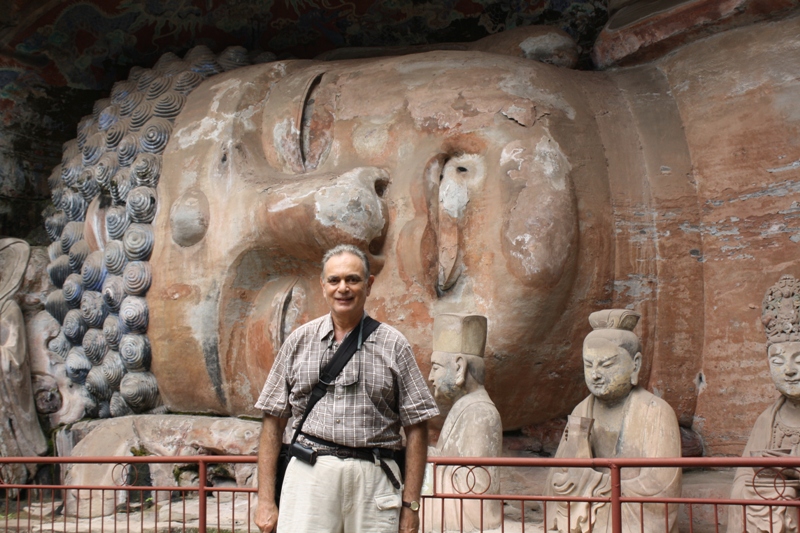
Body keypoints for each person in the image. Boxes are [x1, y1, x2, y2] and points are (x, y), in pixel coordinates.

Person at [254, 244, 439, 533]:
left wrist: (410, 505)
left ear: (369, 284)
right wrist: (265, 500)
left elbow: (417, 427)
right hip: (309, 474)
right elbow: (272, 422)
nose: (343, 288)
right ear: (323, 285)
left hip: (374, 478)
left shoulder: (394, 345)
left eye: (352, 279)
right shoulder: (299, 342)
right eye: (334, 280)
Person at [545, 309, 682, 533]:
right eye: (589, 365)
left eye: (606, 365)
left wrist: (592, 484)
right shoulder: (581, 409)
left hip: (629, 519)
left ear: (635, 365)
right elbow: (559, 474)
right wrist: (564, 482)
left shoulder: (656, 412)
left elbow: (661, 488)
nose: (595, 374)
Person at [728, 274, 800, 533]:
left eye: (799, 360)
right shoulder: (767, 420)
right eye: (778, 362)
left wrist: (793, 473)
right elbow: (743, 479)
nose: (789, 371)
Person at [426, 313, 502, 532]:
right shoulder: (465, 406)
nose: (431, 377)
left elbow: (476, 490)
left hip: (469, 519)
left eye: (436, 367)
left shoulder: (480, 412)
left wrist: (426, 464)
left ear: (459, 368)